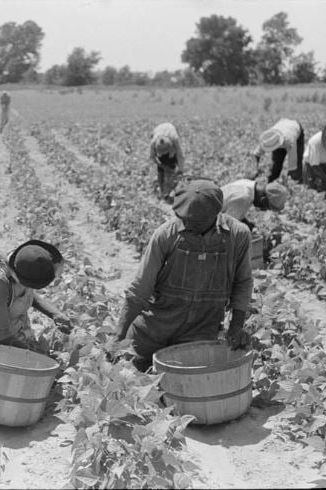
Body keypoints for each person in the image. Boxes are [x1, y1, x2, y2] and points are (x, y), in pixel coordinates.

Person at [115, 180, 253, 372]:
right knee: (128, 377)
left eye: (194, 221)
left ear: (216, 214)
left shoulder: (238, 235)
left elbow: (243, 282)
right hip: (154, 330)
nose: (186, 223)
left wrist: (236, 326)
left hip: (199, 334)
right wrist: (118, 337)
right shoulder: (166, 235)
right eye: (183, 217)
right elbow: (139, 290)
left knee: (188, 388)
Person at [0, 240, 72, 354]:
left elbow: (26, 294)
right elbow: (2, 336)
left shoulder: (22, 264)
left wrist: (55, 314)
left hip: (15, 327)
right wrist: (33, 354)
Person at [221, 179, 289, 231]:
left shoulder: (247, 184)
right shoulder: (244, 198)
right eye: (265, 208)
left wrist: (247, 224)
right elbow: (224, 226)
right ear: (263, 200)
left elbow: (232, 213)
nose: (263, 210)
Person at [252, 118, 304, 184]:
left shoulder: (289, 141)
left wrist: (290, 181)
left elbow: (293, 165)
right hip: (282, 125)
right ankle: (271, 183)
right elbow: (256, 154)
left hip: (295, 128)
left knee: (297, 166)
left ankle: (297, 185)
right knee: (276, 164)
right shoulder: (268, 138)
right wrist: (254, 170)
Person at [149, 122, 185, 203]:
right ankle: (162, 191)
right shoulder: (153, 142)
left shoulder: (174, 139)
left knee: (172, 165)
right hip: (159, 130)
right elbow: (152, 157)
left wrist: (180, 171)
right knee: (161, 170)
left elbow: (180, 155)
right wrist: (162, 166)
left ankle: (170, 188)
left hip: (170, 131)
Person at [302, 122, 326, 194]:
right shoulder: (315, 142)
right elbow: (314, 166)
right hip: (311, 166)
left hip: (325, 164)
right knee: (311, 190)